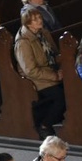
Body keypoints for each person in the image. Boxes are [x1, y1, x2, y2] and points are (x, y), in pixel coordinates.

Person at [14, 8, 65, 139]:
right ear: (28, 23)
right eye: (35, 19)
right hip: (35, 80)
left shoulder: (44, 33)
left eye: (39, 17)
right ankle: (45, 125)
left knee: (73, 85)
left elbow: (54, 53)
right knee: (60, 96)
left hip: (50, 71)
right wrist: (54, 76)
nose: (40, 20)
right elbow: (30, 70)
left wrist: (62, 69)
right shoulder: (23, 42)